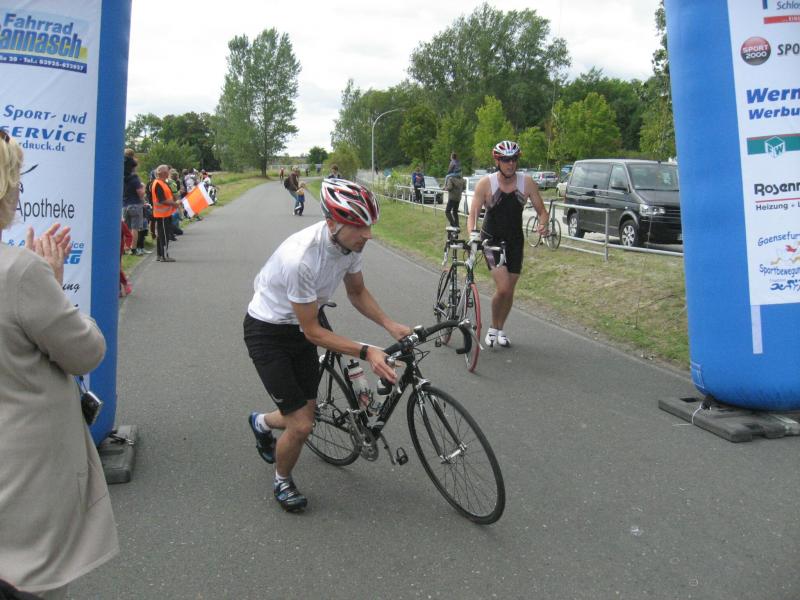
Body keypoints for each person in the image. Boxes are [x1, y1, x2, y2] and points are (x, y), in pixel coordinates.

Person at [244, 178, 410, 512]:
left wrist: (389, 324)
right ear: (332, 223)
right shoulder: (301, 258)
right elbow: (312, 332)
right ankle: (282, 480)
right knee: (302, 425)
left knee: (305, 414)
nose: (368, 235)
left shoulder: (350, 246)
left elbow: (357, 292)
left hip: (305, 321)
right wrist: (367, 351)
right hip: (269, 332)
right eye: (359, 226)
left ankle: (260, 422)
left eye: (369, 225)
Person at [0, 131, 118, 599]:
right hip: (23, 472)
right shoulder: (19, 272)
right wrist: (52, 282)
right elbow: (84, 352)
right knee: (33, 581)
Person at [467, 140, 549, 348]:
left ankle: (500, 328)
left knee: (510, 290)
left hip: (515, 241)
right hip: (491, 240)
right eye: (505, 160)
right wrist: (473, 234)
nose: (510, 163)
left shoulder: (526, 182)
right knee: (503, 288)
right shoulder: (486, 183)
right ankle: (492, 328)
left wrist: (543, 224)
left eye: (513, 159)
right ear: (497, 161)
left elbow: (542, 211)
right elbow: (473, 214)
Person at [150, 164, 180, 262]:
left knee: (161, 234)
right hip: (162, 214)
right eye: (167, 171)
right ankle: (164, 256)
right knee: (164, 235)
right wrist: (174, 204)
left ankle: (159, 255)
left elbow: (167, 197)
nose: (168, 173)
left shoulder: (163, 183)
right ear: (163, 173)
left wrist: (174, 200)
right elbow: (162, 200)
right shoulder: (158, 184)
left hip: (165, 214)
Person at [122, 152, 147, 256]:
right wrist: (143, 187)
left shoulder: (122, 178)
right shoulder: (134, 178)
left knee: (126, 228)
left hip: (125, 204)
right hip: (135, 204)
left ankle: (125, 247)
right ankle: (133, 248)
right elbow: (140, 193)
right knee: (134, 228)